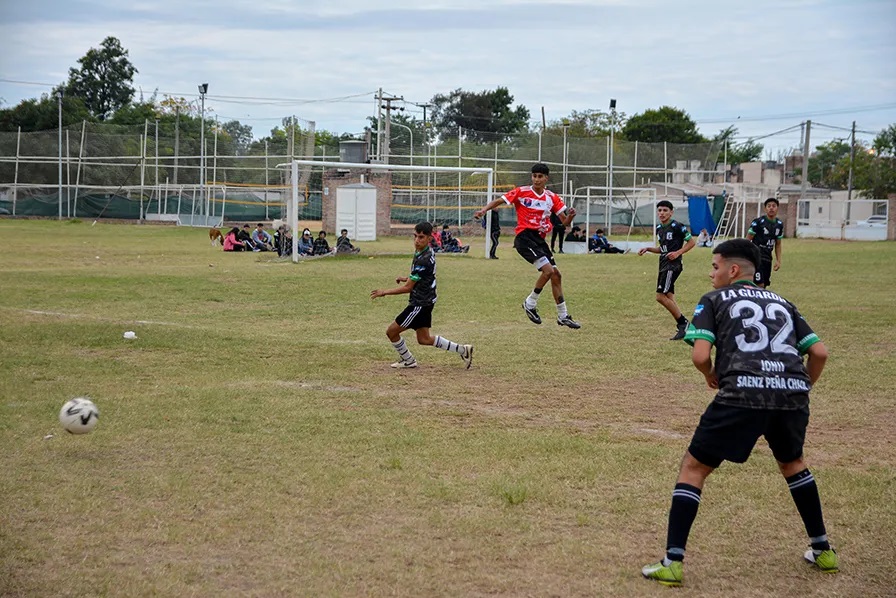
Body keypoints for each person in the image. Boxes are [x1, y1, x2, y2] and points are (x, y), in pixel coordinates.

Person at [641, 238, 837, 587]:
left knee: (694, 468)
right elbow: (819, 352)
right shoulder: (783, 301)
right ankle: (823, 550)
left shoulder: (713, 299)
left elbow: (700, 355)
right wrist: (800, 386)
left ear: (733, 270)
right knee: (793, 463)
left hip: (742, 392)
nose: (711, 273)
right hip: (791, 395)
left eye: (715, 266)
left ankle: (672, 562)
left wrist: (710, 374)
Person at [473, 162, 581, 329]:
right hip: (524, 238)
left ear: (546, 178)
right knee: (548, 271)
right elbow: (499, 201)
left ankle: (563, 315)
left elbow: (565, 223)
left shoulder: (552, 197)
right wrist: (483, 210)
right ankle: (530, 303)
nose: (536, 179)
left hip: (539, 240)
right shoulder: (521, 192)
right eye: (534, 176)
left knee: (556, 275)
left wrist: (571, 216)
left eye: (540, 176)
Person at [370, 221, 474, 370]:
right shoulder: (424, 251)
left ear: (429, 238)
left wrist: (384, 292)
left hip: (420, 304)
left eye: (421, 237)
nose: (417, 241)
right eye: (415, 236)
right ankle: (463, 350)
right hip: (427, 301)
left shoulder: (423, 259)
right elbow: (424, 276)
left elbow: (408, 288)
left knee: (391, 332)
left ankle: (408, 360)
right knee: (424, 339)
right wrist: (407, 278)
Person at [638, 200, 696, 340]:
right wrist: (648, 249)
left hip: (672, 265)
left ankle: (683, 324)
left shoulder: (677, 226)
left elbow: (691, 242)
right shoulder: (659, 228)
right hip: (663, 263)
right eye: (660, 210)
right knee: (669, 296)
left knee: (660, 296)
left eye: (665, 210)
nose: (662, 213)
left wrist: (678, 253)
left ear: (671, 212)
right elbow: (663, 249)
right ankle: (685, 328)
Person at [747, 198, 784, 288]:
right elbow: (747, 240)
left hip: (768, 259)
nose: (771, 208)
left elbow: (778, 244)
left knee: (764, 285)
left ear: (777, 208)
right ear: (765, 208)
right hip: (757, 257)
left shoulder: (779, 224)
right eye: (769, 206)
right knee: (759, 284)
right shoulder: (758, 222)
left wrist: (778, 260)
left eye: (774, 206)